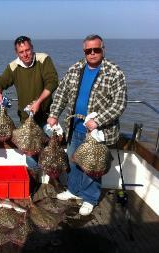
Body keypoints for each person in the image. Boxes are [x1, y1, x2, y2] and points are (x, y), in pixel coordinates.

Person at [47, 34, 127, 216]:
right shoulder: (76, 68)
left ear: (103, 50)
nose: (92, 53)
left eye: (96, 50)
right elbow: (61, 94)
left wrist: (98, 120)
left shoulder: (114, 72)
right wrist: (54, 114)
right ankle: (73, 190)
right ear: (84, 51)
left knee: (93, 166)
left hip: (99, 132)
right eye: (88, 50)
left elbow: (119, 103)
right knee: (73, 161)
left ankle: (90, 198)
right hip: (75, 127)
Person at [0, 35, 58, 176]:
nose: (25, 54)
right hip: (26, 120)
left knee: (51, 152)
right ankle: (35, 180)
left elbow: (52, 82)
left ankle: (53, 180)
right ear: (17, 53)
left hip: (46, 116)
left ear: (32, 48)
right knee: (30, 154)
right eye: (21, 52)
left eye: (28, 50)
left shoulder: (43, 59)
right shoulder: (13, 66)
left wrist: (38, 102)